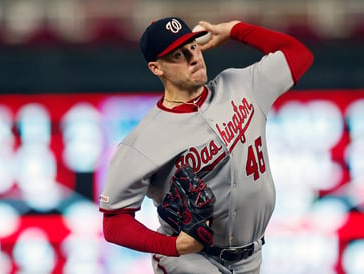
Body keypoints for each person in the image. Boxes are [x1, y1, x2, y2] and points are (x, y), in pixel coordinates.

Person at [99, 16, 314, 273]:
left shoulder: (242, 86)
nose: (192, 57)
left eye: (192, 46)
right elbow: (114, 221)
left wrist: (235, 30)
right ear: (157, 68)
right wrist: (171, 246)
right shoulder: (143, 140)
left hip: (251, 257)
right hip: (191, 261)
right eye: (177, 55)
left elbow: (298, 54)